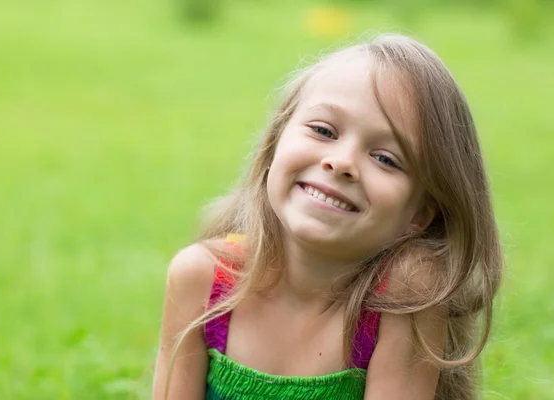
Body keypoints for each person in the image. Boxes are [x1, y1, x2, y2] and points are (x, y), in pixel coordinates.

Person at [152, 33, 503, 400]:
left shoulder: (403, 299)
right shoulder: (202, 279)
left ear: (420, 214)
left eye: (385, 159)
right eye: (323, 130)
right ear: (275, 145)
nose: (342, 162)